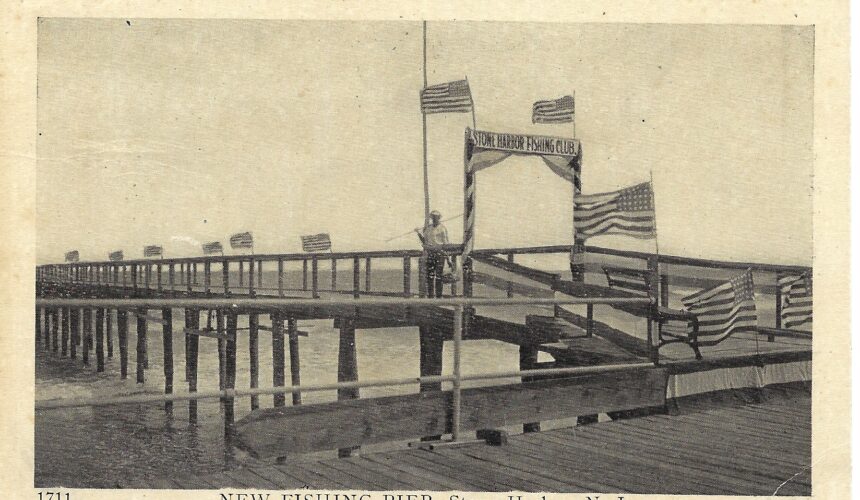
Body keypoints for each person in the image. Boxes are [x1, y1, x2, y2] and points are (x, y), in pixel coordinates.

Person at [415, 210, 449, 298]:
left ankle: (439, 296)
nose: (434, 218)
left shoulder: (442, 228)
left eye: (436, 217)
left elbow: (445, 244)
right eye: (433, 217)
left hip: (440, 254)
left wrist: (448, 258)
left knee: (439, 276)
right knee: (430, 276)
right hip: (430, 253)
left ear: (439, 218)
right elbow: (424, 241)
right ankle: (430, 296)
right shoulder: (428, 229)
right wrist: (418, 233)